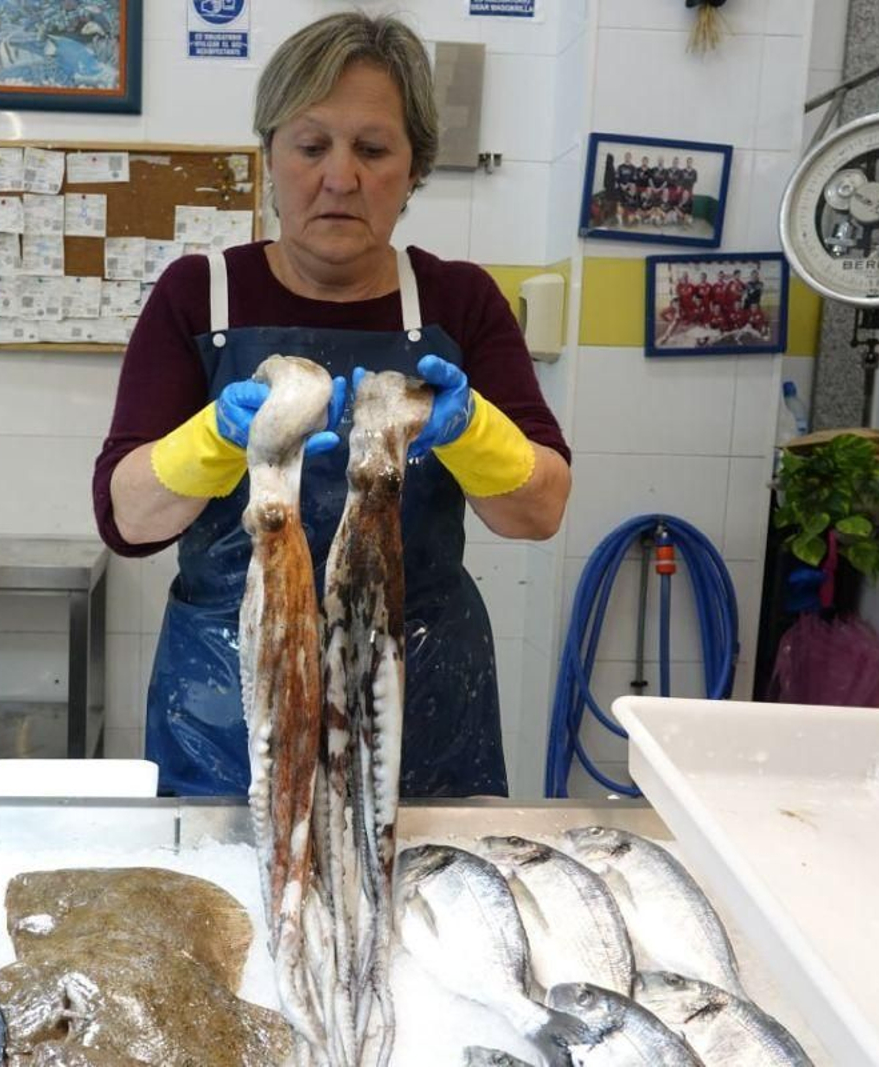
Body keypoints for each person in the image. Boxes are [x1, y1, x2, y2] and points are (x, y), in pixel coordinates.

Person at [92, 13, 571, 799]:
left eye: (372, 150)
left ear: (415, 168)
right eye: (311, 146)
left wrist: (471, 430)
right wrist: (219, 437)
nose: (340, 177)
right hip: (228, 711)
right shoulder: (198, 296)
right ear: (269, 155)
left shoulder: (460, 302)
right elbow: (129, 519)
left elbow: (540, 510)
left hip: (416, 707)